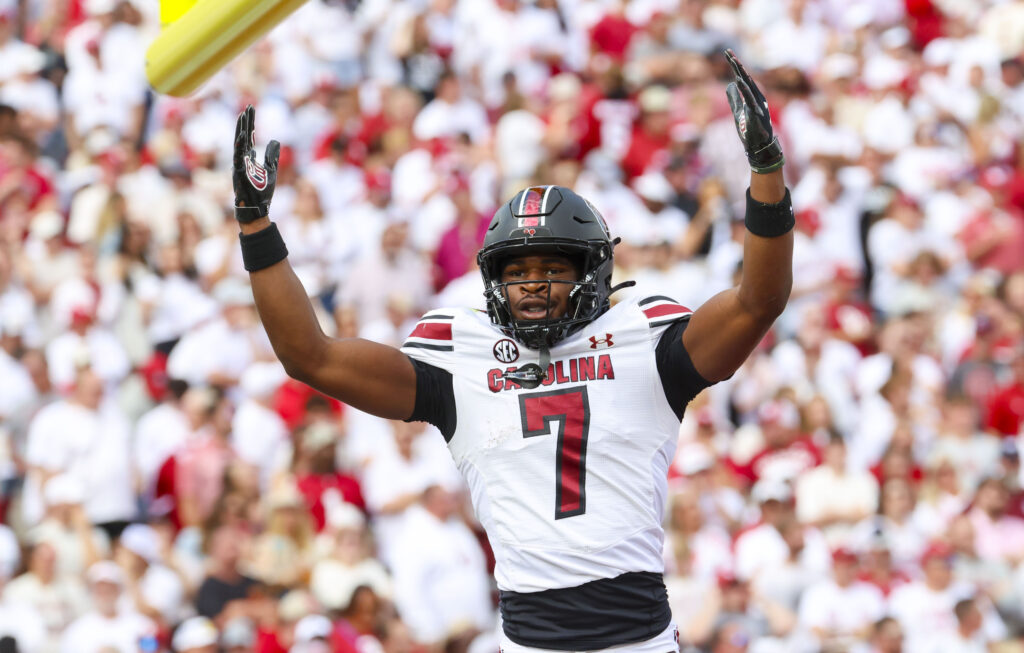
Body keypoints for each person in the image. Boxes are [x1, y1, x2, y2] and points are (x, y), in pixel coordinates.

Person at [230, 49, 794, 652]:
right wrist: (256, 228)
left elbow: (758, 300)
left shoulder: (645, 338)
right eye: (516, 270)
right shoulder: (460, 353)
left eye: (551, 267)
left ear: (594, 271)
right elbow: (309, 356)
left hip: (640, 640)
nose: (530, 284)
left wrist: (765, 172)